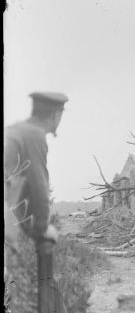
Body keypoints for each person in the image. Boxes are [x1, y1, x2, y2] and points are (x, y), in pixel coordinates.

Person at [4, 92, 68, 251]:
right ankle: (43, 276)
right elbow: (39, 185)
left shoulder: (15, 129)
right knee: (45, 244)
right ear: (56, 115)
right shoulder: (34, 135)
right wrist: (42, 228)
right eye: (60, 116)